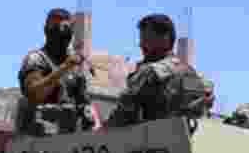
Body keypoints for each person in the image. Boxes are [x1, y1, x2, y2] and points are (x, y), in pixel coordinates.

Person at [107, 14, 210, 127]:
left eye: (146, 39)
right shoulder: (195, 76)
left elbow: (122, 115)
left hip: (153, 141)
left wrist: (101, 131)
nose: (140, 45)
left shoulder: (151, 72)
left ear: (165, 39)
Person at [15, 8, 101, 136]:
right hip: (36, 141)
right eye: (55, 27)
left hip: (67, 139)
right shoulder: (36, 59)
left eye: (66, 28)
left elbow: (85, 104)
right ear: (46, 30)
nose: (61, 33)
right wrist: (64, 67)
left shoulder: (75, 67)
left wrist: (93, 123)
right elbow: (34, 93)